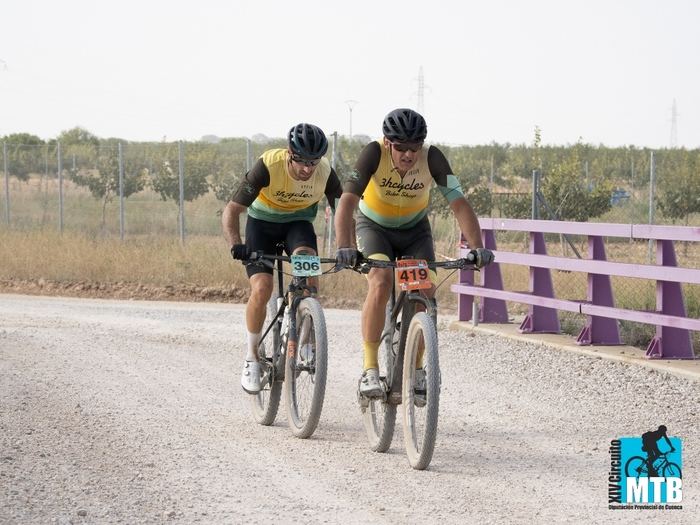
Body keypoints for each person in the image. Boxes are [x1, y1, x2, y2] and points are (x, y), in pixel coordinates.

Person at [333, 108, 494, 399]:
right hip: (374, 228)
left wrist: (478, 246)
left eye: (414, 148)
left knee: (426, 290)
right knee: (381, 280)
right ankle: (370, 368)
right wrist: (345, 245)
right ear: (386, 143)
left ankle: (418, 367)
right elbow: (346, 202)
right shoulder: (372, 153)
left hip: (414, 231)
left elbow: (458, 202)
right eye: (401, 148)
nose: (408, 155)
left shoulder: (432, 157)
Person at [222, 123, 342, 394]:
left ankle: (308, 334)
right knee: (262, 287)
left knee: (308, 273)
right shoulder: (268, 165)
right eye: (301, 161)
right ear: (290, 153)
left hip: (297, 225)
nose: (307, 169)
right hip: (261, 225)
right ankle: (251, 355)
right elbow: (232, 210)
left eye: (313, 162)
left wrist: (348, 245)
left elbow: (343, 212)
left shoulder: (324, 174)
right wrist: (236, 244)